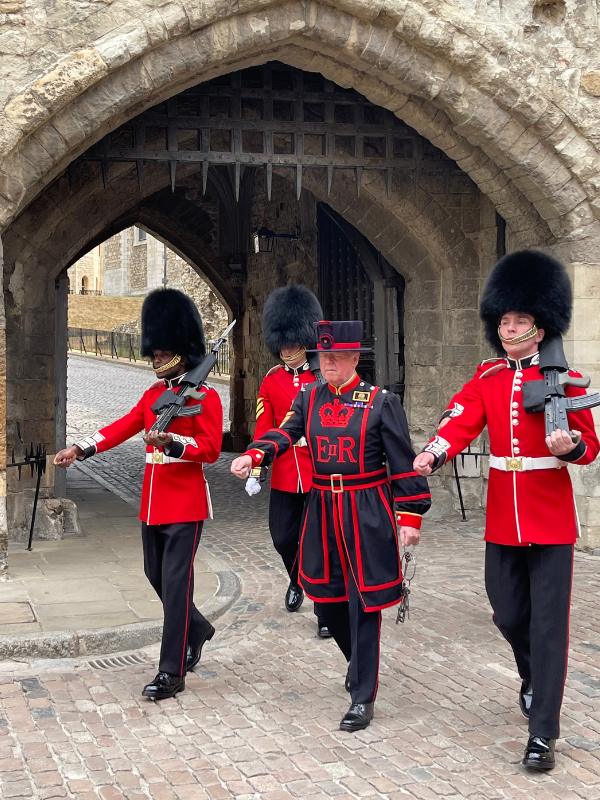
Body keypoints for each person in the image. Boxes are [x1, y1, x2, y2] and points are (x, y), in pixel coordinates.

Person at [413, 250, 599, 771]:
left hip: (551, 515)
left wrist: (570, 450)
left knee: (548, 628)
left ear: (540, 327)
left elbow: (590, 444)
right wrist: (434, 450)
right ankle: (533, 674)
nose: (509, 325)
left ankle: (544, 732)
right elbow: (461, 416)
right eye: (505, 318)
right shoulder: (490, 375)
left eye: (519, 319)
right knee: (507, 611)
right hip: (504, 517)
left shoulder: (567, 378)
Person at [232, 320, 431, 731]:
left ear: (355, 358)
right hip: (322, 505)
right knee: (324, 596)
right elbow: (284, 432)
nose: (328, 365)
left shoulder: (379, 402)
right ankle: (356, 663)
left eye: (337, 358)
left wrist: (410, 514)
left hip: (366, 508)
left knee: (364, 603)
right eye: (324, 358)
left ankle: (362, 695)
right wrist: (256, 455)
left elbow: (400, 459)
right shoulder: (308, 396)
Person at [54, 289, 222, 701]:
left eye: (161, 353)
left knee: (178, 585)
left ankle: (172, 671)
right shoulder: (152, 397)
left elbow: (212, 450)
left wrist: (173, 444)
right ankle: (197, 629)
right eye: (153, 353)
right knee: (155, 576)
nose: (155, 360)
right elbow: (122, 426)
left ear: (181, 352)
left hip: (185, 504)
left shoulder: (205, 398)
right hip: (153, 503)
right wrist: (81, 448)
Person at [249, 284, 331, 638]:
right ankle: (297, 578)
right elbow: (264, 427)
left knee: (320, 542)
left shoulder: (323, 378)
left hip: (318, 472)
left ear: (305, 339)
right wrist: (257, 462)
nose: (286, 350)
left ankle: (326, 610)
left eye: (293, 343)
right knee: (283, 538)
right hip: (285, 472)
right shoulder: (271, 380)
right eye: (282, 344)